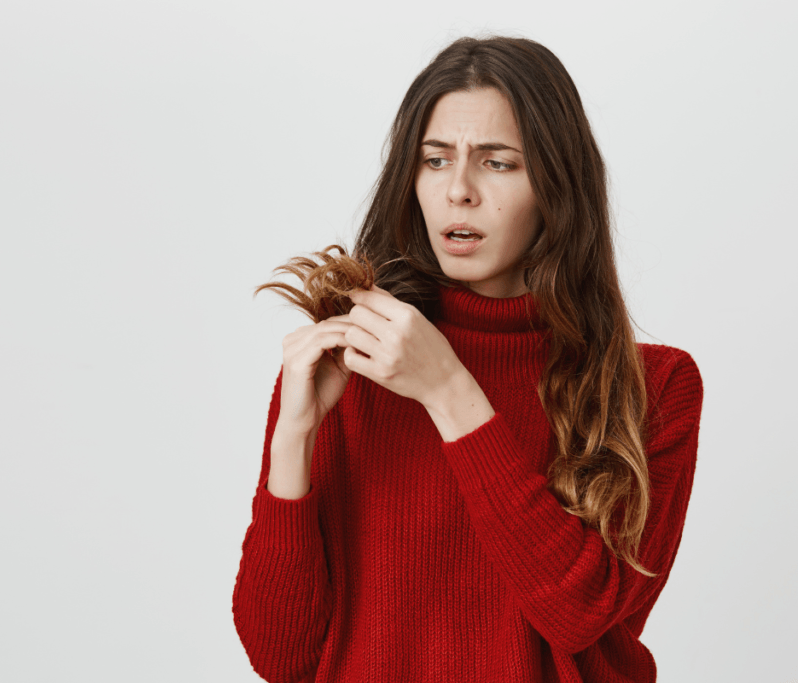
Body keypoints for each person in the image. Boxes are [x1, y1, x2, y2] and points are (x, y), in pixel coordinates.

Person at [232, 35, 703, 683]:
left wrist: (448, 389)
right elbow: (282, 658)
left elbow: (578, 613)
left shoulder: (656, 386)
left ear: (555, 183)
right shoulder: (354, 364)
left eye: (498, 162)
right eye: (434, 160)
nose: (459, 189)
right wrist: (295, 434)